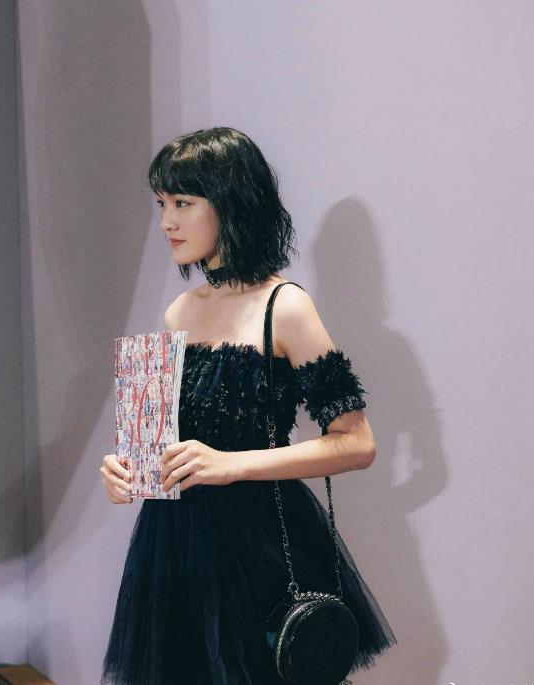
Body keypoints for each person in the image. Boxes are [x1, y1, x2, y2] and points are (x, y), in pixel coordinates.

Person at [99, 127, 397, 684]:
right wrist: (126, 471)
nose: (166, 222)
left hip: (254, 544)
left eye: (183, 203)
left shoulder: (284, 307)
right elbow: (162, 442)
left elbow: (357, 443)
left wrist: (231, 464)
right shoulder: (178, 312)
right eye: (162, 204)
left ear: (231, 202)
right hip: (172, 548)